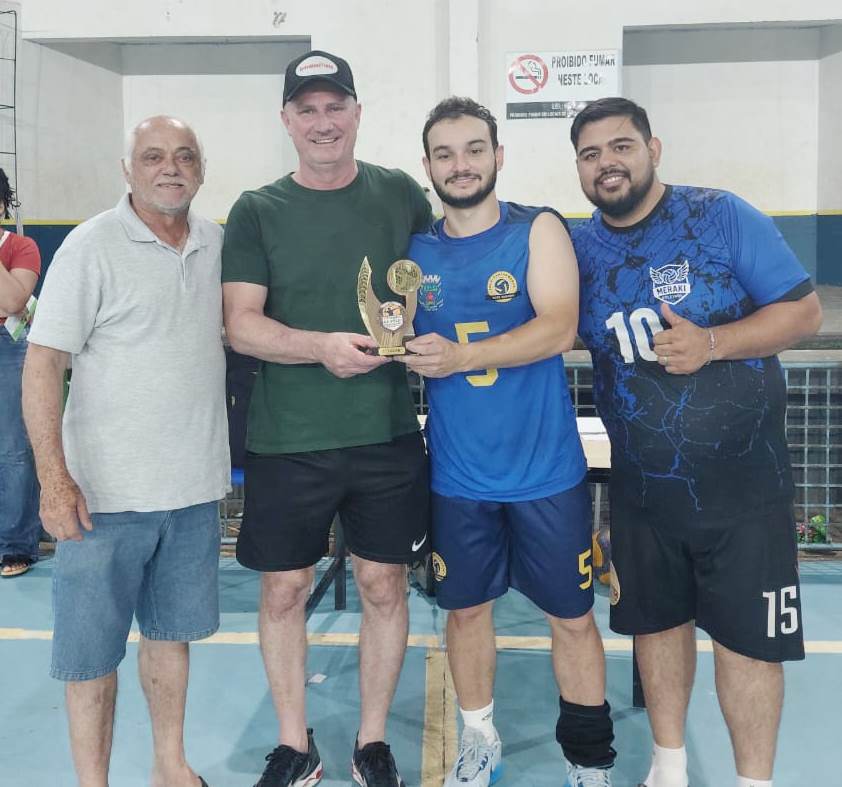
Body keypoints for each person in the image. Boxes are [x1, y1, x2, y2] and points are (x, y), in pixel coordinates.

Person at [569, 97, 823, 787]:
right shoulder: (577, 246)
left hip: (746, 489)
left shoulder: (720, 214)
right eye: (590, 155)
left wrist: (714, 342)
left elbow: (804, 311)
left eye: (620, 146)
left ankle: (753, 781)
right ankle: (670, 764)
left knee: (748, 645)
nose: (607, 164)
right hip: (644, 490)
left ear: (654, 147)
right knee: (656, 628)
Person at [221, 50, 432, 787]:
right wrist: (318, 348)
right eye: (306, 109)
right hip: (288, 440)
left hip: (386, 434)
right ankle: (293, 743)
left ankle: (370, 740)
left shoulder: (401, 195)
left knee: (385, 586)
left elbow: (435, 289)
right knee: (282, 591)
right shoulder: (256, 209)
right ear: (286, 120)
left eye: (334, 106)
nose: (322, 122)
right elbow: (241, 325)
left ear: (358, 113)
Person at [398, 96, 615, 787]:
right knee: (465, 613)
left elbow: (558, 327)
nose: (460, 165)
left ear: (498, 156)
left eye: (472, 149)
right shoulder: (416, 251)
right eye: (444, 153)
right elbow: (393, 329)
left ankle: (587, 758)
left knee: (574, 619)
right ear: (427, 165)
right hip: (458, 478)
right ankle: (479, 736)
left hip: (545, 472)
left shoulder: (537, 229)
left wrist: (461, 357)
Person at [22, 116, 229, 787]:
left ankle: (170, 765)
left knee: (171, 639)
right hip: (102, 499)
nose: (170, 168)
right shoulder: (90, 246)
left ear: (201, 168)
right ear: (127, 168)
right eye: (153, 156)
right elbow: (43, 362)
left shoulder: (217, 243)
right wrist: (54, 480)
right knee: (90, 659)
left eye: (184, 156)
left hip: (193, 492)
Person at [0, 168, 42, 578]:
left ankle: (16, 545)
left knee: (12, 449)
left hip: (6, 347)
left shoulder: (21, 247)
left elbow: (14, 299)